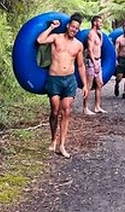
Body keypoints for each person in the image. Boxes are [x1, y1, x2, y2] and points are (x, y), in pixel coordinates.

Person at [36, 13, 89, 158]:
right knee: (54, 111)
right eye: (72, 26)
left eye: (77, 28)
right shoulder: (56, 38)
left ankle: (62, 145)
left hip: (69, 80)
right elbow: (40, 40)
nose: (74, 30)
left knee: (66, 111)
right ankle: (53, 139)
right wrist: (52, 27)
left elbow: (80, 65)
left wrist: (84, 85)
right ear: (68, 26)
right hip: (54, 79)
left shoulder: (78, 45)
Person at [83, 15, 107, 115]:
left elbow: (98, 46)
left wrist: (101, 36)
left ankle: (97, 107)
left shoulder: (97, 34)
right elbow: (90, 50)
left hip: (98, 61)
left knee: (100, 83)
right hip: (92, 62)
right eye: (100, 22)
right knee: (88, 85)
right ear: (95, 23)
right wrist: (94, 63)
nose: (101, 24)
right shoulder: (91, 34)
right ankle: (85, 108)